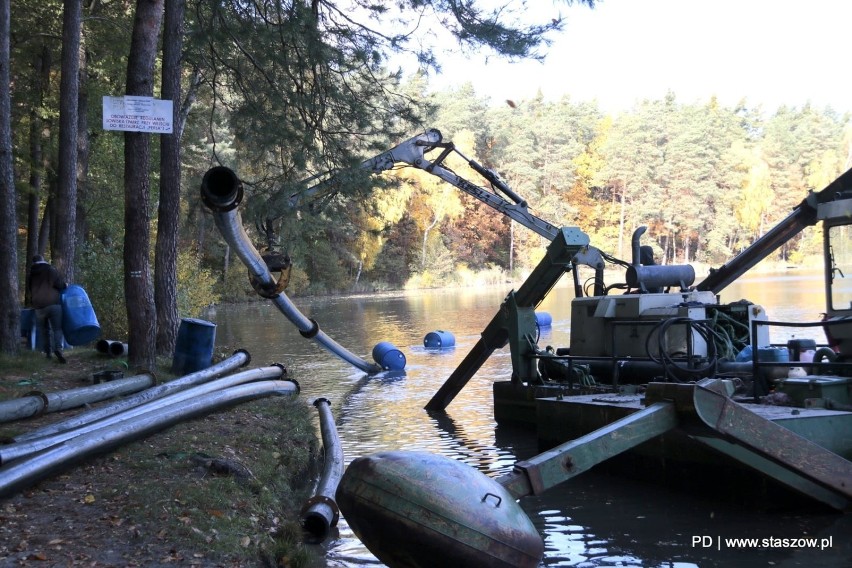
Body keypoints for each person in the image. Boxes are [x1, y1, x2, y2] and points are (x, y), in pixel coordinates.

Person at [28, 255, 67, 363]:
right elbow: (59, 284)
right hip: (53, 304)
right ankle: (58, 349)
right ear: (43, 261)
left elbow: (30, 289)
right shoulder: (50, 270)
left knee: (44, 331)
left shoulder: (31, 274)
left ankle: (48, 353)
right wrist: (65, 285)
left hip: (39, 306)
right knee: (57, 329)